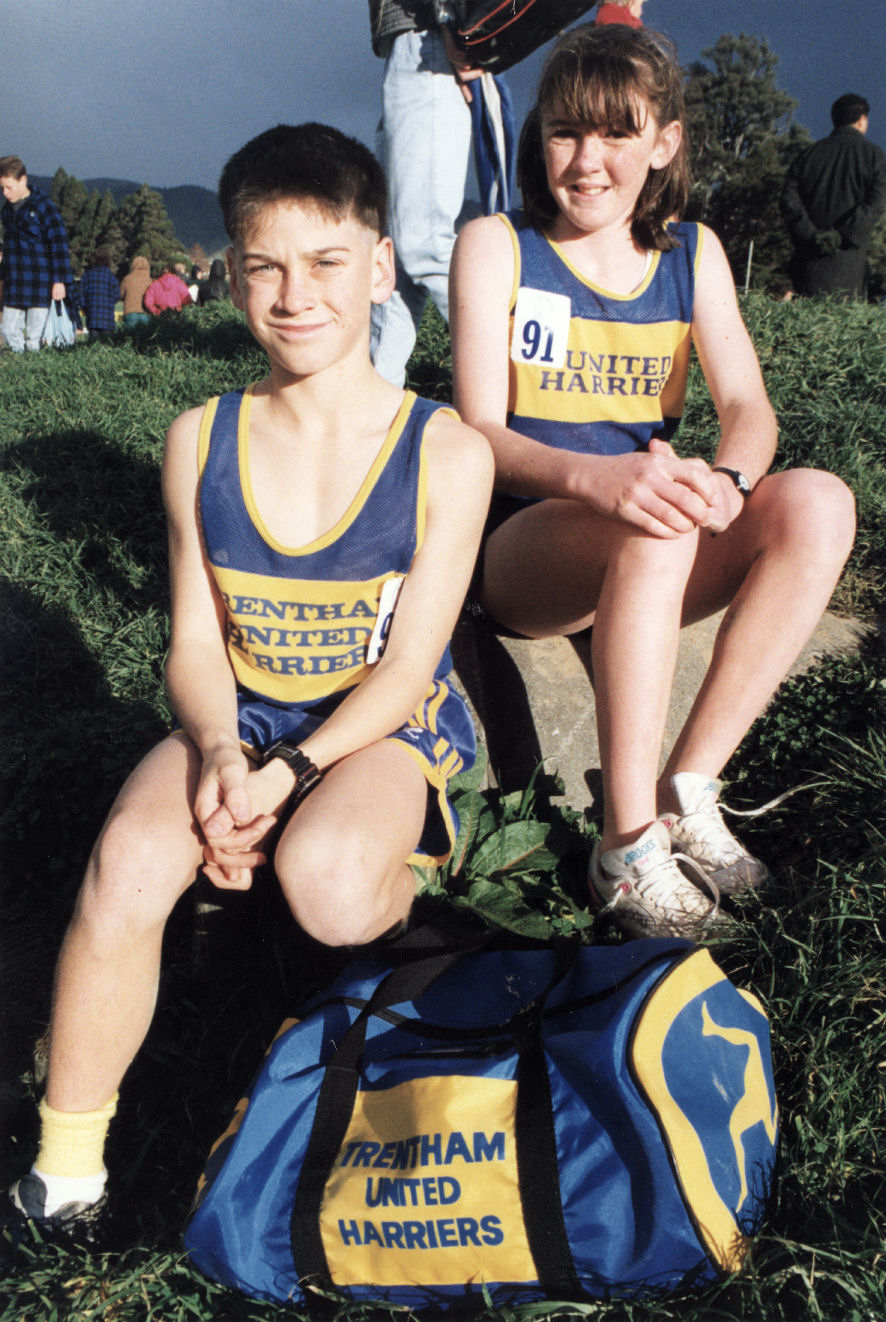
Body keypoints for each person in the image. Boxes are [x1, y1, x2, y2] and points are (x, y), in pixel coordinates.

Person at [4, 121, 492, 1246]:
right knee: (128, 856)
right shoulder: (197, 437)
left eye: (325, 262)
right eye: (263, 264)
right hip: (247, 716)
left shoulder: (444, 451)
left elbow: (412, 663)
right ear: (228, 271)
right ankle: (65, 1171)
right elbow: (193, 642)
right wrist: (224, 753)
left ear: (378, 266)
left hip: (374, 727)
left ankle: (412, 920)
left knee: (325, 876)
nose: (294, 294)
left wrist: (292, 773)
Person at [450, 24, 856, 939]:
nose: (587, 161)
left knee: (819, 502)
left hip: (652, 541)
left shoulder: (694, 252)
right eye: (565, 132)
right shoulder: (497, 246)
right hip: (529, 551)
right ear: (539, 136)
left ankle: (687, 791)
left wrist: (729, 480)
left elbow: (750, 410)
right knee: (657, 514)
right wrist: (601, 481)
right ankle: (625, 848)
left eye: (617, 134)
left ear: (664, 143)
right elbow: (479, 434)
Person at [367, 1, 488, 387]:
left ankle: (517, 377)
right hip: (420, 44)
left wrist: (450, 21)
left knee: (423, 242)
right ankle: (375, 395)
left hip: (431, 42)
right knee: (395, 254)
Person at [781, 93, 886, 298]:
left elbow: (788, 200)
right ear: (862, 120)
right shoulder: (874, 156)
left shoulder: (808, 156)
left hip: (809, 264)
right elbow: (876, 203)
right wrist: (844, 235)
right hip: (850, 264)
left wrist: (810, 235)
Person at [0, 156, 73, 352]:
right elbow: (7, 248)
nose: (5, 193)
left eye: (9, 187)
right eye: (2, 188)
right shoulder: (6, 211)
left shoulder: (44, 207)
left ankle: (32, 369)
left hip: (40, 282)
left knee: (34, 338)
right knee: (7, 329)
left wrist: (60, 281)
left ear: (22, 180)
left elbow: (58, 244)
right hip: (15, 282)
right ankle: (19, 359)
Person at [77, 249, 121, 342]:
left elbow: (80, 296)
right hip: (108, 319)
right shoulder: (111, 277)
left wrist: (86, 307)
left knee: (93, 348)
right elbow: (117, 296)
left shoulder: (86, 276)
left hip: (92, 318)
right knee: (108, 348)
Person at [119, 254, 152, 325]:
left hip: (130, 312)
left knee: (130, 335)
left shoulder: (127, 279)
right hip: (146, 312)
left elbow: (120, 295)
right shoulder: (150, 281)